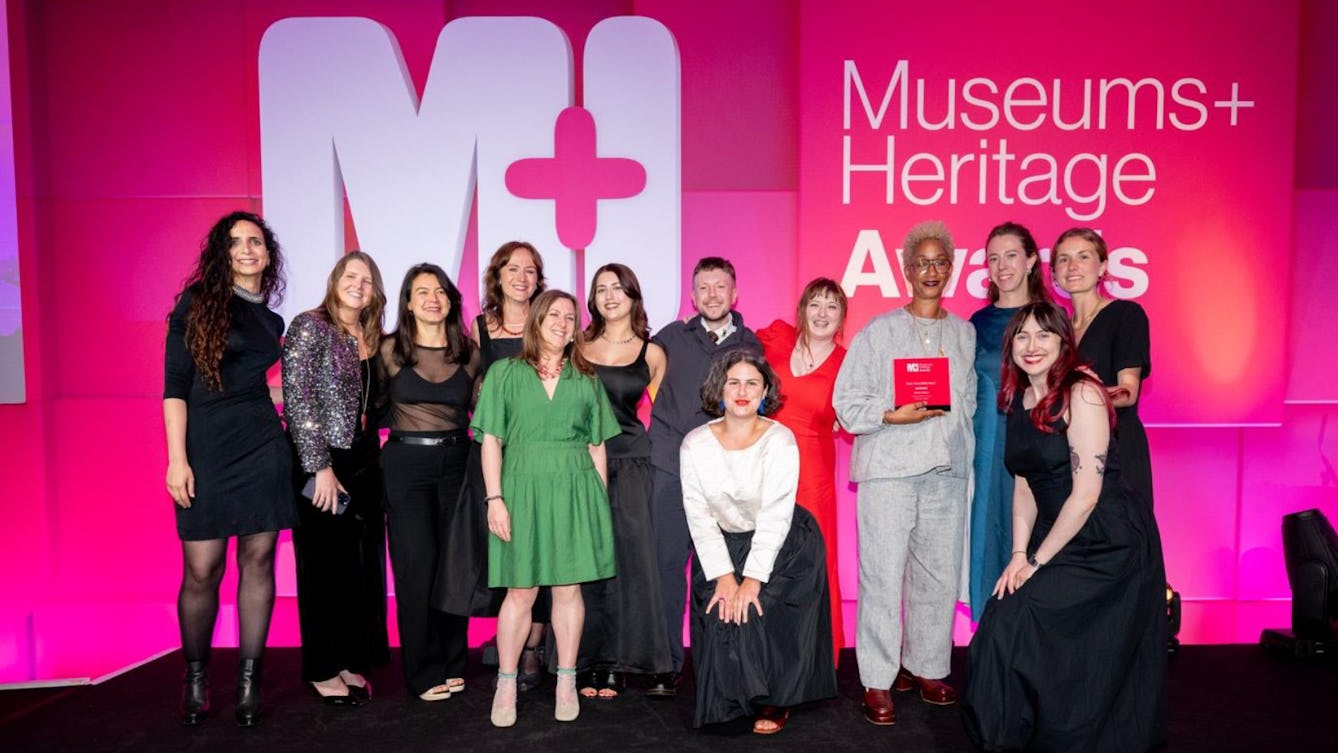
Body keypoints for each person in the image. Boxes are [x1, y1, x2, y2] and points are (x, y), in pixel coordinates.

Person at [961, 301, 1167, 752]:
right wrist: (1018, 556)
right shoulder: (1019, 398)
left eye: (1043, 335)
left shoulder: (1083, 393)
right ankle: (1013, 735)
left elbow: (1087, 495)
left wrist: (1036, 562)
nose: (1031, 346)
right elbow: (1024, 485)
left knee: (1024, 620)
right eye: (1022, 336)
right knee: (1001, 618)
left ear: (1062, 342)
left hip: (1110, 541)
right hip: (1059, 536)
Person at [832, 220, 976, 726]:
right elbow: (846, 402)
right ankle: (877, 678)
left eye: (940, 262)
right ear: (907, 270)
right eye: (922, 262)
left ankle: (926, 666)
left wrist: (961, 457)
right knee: (882, 575)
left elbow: (968, 403)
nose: (931, 271)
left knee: (938, 575)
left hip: (946, 472)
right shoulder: (879, 332)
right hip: (889, 471)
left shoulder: (964, 333)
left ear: (950, 269)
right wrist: (892, 414)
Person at [163, 211, 295, 726]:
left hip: (262, 447)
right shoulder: (196, 303)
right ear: (222, 252)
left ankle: (248, 683)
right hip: (206, 449)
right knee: (202, 571)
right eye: (236, 242)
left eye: (255, 241)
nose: (246, 249)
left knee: (258, 562)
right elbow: (176, 388)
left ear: (268, 253)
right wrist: (178, 459)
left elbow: (254, 386)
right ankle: (196, 678)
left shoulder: (272, 321)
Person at [473, 290, 620, 727]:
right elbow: (491, 442)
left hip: (575, 489)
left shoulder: (586, 378)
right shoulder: (504, 372)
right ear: (536, 320)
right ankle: (506, 681)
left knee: (569, 590)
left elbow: (597, 446)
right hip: (520, 489)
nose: (562, 322)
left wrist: (598, 505)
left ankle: (566, 680)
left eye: (570, 317)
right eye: (553, 314)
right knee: (520, 591)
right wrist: (494, 499)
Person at [682, 351, 837, 734]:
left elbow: (776, 514)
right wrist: (724, 576)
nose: (742, 391)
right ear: (719, 388)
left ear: (765, 391)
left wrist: (752, 579)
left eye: (752, 383)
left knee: (758, 606)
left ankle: (775, 699)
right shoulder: (695, 443)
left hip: (783, 544)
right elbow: (698, 516)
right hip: (721, 545)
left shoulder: (779, 439)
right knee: (722, 608)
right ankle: (732, 696)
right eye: (733, 382)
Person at [436, 241, 549, 690]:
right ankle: (509, 641)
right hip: (495, 455)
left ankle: (533, 648)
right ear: (497, 276)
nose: (522, 277)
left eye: (530, 270)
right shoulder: (480, 326)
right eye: (512, 269)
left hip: (542, 452)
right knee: (502, 550)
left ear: (539, 278)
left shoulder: (552, 320)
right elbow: (475, 386)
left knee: (541, 551)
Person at [647, 256, 762, 696]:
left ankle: (719, 663)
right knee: (666, 567)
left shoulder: (752, 344)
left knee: (723, 569)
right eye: (704, 288)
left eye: (720, 287)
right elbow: (629, 369)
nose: (712, 295)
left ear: (735, 294)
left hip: (728, 474)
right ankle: (665, 663)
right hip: (671, 469)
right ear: (693, 297)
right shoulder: (670, 338)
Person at [281, 251, 390, 705]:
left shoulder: (370, 336)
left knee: (354, 569)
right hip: (323, 463)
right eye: (351, 276)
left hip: (363, 462)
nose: (358, 285)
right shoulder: (310, 326)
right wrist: (319, 466)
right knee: (322, 568)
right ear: (335, 280)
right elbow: (298, 398)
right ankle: (322, 669)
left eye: (367, 280)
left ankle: (346, 659)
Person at [377, 264, 479, 702]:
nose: (432, 299)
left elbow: (486, 413)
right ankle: (422, 670)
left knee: (454, 568)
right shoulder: (388, 350)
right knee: (416, 569)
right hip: (406, 465)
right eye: (422, 292)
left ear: (451, 300)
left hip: (458, 463)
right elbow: (369, 407)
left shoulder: (470, 353)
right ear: (408, 303)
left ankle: (454, 662)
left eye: (440, 291)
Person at [574, 263, 672, 697]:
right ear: (592, 300)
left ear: (633, 296)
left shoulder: (652, 354)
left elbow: (665, 419)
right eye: (601, 289)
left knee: (631, 564)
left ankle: (618, 662)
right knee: (582, 562)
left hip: (632, 463)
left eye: (618, 288)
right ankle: (585, 660)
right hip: (578, 463)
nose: (610, 296)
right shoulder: (576, 346)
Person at [755, 278, 849, 661]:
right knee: (765, 558)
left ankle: (815, 656)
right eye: (815, 304)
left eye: (832, 306)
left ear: (842, 317)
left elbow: (858, 412)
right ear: (802, 310)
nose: (822, 313)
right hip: (764, 468)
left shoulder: (847, 363)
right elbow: (732, 353)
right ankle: (765, 652)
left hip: (813, 475)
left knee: (813, 561)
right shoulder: (776, 338)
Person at [967, 222, 1051, 621]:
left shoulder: (1052, 318)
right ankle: (994, 639)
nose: (1002, 266)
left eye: (1012, 255)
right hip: (989, 450)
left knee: (1039, 541)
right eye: (994, 258)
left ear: (1032, 260)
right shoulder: (976, 324)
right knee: (991, 540)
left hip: (1041, 444)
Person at [1052, 227, 1154, 510]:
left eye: (1083, 257)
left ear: (1102, 267)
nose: (1072, 266)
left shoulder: (1126, 315)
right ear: (1054, 273)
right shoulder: (1056, 330)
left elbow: (1128, 393)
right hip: (1070, 454)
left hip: (1117, 452)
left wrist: (1071, 402)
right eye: (1063, 259)